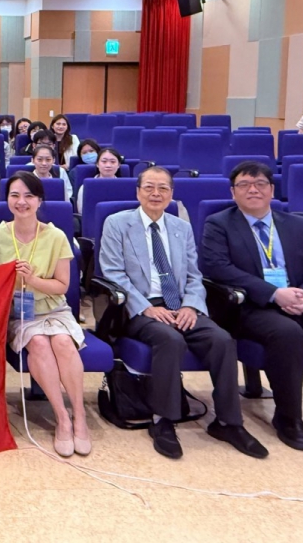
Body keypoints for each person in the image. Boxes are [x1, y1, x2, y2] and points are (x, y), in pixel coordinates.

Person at [100, 166, 267, 460]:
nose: (156, 193)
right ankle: (163, 420)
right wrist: (147, 307)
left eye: (163, 188)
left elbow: (193, 275)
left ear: (172, 194)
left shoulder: (181, 227)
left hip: (180, 304)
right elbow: (113, 273)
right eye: (149, 187)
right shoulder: (117, 224)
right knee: (170, 339)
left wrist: (191, 305)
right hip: (139, 307)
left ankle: (228, 422)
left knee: (222, 340)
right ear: (138, 192)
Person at [201, 160, 303, 450]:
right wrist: (275, 294)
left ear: (272, 190)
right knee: (288, 334)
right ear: (233, 192)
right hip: (251, 306)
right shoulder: (219, 224)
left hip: (302, 302)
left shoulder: (298, 225)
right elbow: (217, 268)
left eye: (260, 184)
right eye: (244, 185)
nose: (253, 190)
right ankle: (288, 418)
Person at [0, 172, 91, 457]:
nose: (21, 202)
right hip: (17, 314)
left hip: (53, 308)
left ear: (39, 200)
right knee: (38, 342)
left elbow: (62, 285)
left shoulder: (56, 236)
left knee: (62, 342)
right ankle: (62, 418)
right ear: (7, 199)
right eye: (15, 195)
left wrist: (32, 280)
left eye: (29, 196)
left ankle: (80, 416)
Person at [75, 146, 122, 213]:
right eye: (104, 161)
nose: (108, 165)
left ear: (119, 165)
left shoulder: (124, 187)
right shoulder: (86, 187)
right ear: (97, 164)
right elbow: (82, 211)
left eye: (113, 162)